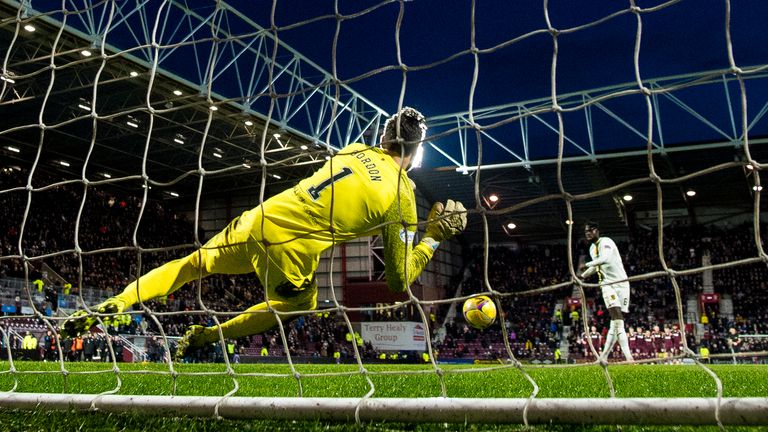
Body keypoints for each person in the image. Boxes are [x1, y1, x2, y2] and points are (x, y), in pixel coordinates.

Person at [61, 107, 467, 359]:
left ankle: (120, 300)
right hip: (289, 250)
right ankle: (208, 336)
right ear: (415, 153)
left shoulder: (352, 149)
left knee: (194, 263)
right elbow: (398, 280)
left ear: (382, 137)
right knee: (295, 304)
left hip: (259, 218)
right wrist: (431, 237)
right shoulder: (401, 196)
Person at [579, 221, 633, 363]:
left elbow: (606, 259)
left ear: (597, 231)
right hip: (607, 285)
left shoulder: (606, 242)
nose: (588, 233)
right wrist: (582, 276)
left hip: (623, 284)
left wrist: (587, 264)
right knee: (617, 319)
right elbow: (597, 266)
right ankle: (629, 358)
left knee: (616, 323)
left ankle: (604, 357)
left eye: (590, 230)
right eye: (586, 231)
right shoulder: (592, 248)